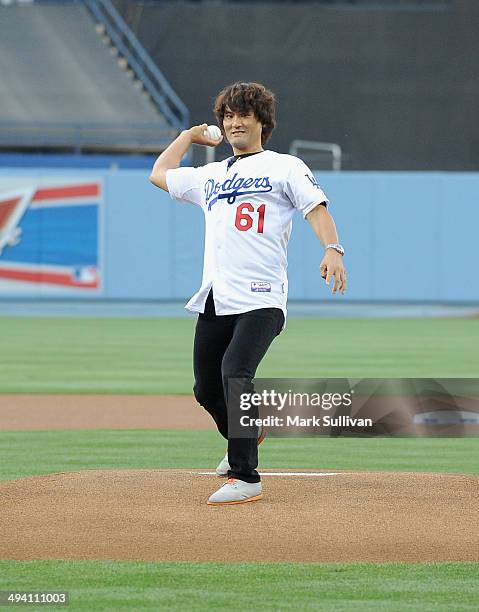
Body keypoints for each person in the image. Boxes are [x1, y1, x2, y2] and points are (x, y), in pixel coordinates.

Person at [149, 82, 346, 506]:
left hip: (262, 298)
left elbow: (316, 208)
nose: (234, 122)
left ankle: (245, 475)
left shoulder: (284, 167)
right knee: (206, 388)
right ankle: (249, 432)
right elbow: (158, 174)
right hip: (217, 296)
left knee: (236, 372)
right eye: (228, 116)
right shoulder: (211, 176)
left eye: (244, 115)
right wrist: (187, 137)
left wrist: (332, 248)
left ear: (262, 122)